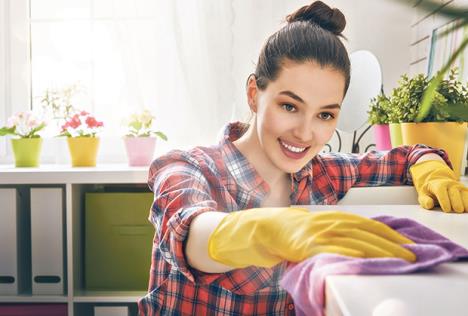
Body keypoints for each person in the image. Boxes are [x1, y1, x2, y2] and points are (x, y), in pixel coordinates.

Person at [138, 1, 468, 315]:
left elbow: (407, 156)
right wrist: (266, 231)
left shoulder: (324, 174)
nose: (306, 134)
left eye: (325, 115)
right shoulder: (189, 168)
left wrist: (430, 167)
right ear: (254, 94)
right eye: (290, 106)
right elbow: (191, 234)